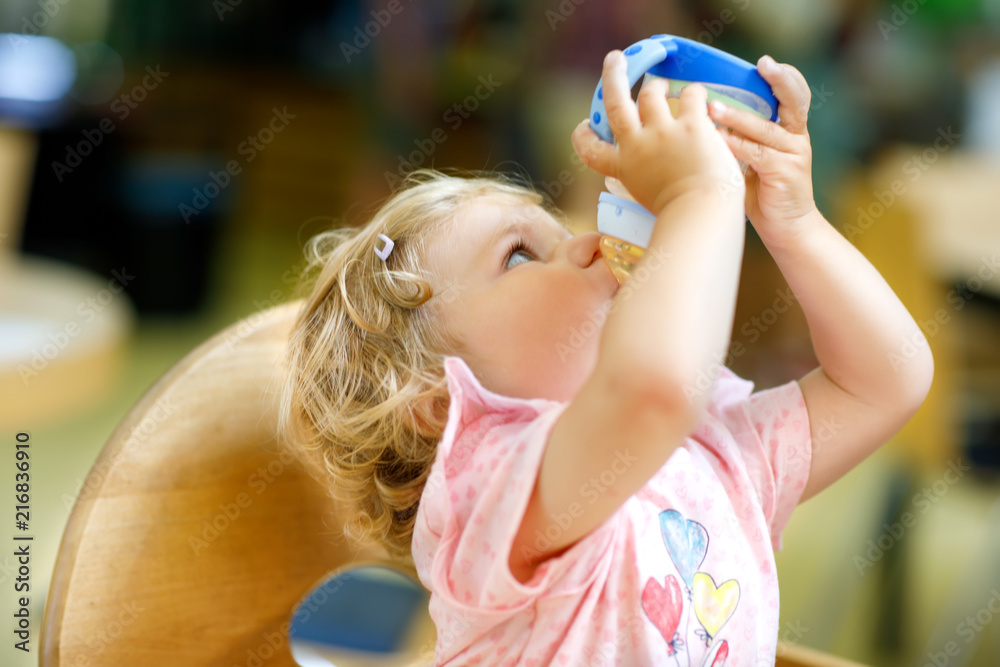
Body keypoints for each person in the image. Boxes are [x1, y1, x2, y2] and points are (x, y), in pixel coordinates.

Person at [279, 49, 934, 666]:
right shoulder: (489, 486)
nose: (587, 243)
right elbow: (651, 393)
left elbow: (887, 377)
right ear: (441, 403)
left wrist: (790, 220)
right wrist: (698, 196)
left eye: (563, 230)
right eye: (521, 255)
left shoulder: (703, 453)